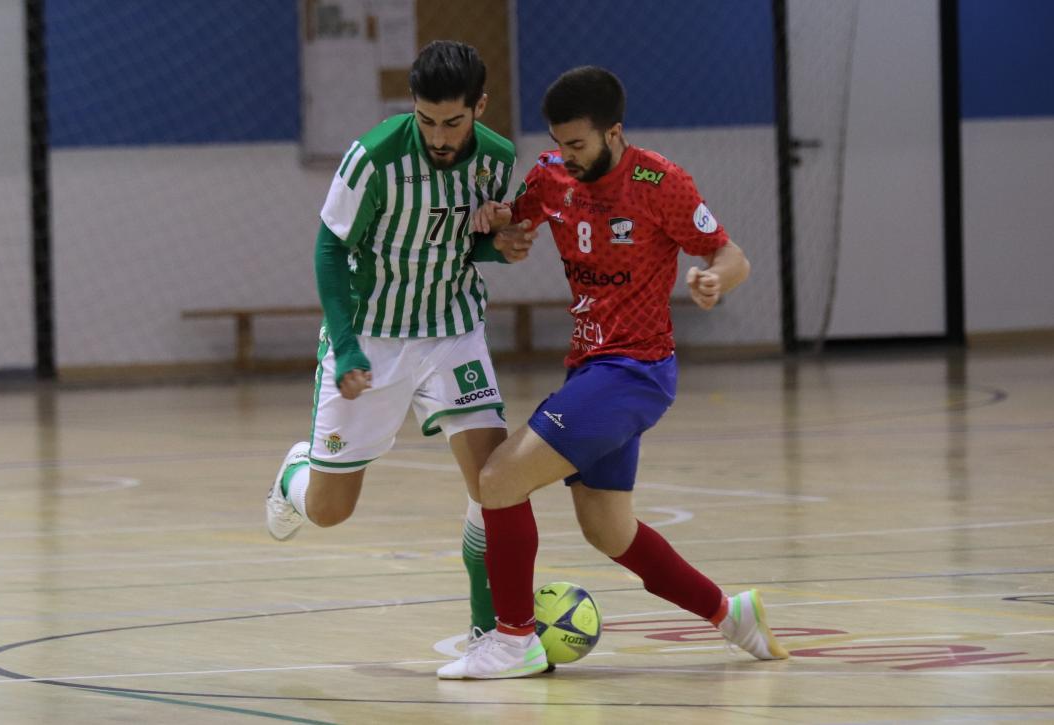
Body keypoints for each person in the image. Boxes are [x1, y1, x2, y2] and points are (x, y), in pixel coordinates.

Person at [438, 66, 787, 679]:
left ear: (614, 133)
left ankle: (514, 638)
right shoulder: (551, 177)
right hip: (588, 368)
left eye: (578, 145)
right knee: (608, 529)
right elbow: (512, 229)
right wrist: (504, 234)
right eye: (558, 143)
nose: (566, 158)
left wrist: (713, 280)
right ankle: (733, 616)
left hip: (635, 371)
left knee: (495, 481)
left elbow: (732, 256)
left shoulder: (659, 182)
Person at [264, 41, 536, 642]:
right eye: (427, 120)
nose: (439, 136)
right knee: (332, 511)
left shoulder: (496, 159)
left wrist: (503, 247)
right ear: (412, 108)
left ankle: (487, 630)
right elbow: (330, 248)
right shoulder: (373, 158)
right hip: (371, 335)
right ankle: (294, 476)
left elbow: (468, 241)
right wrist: (348, 345)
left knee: (493, 480)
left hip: (452, 330)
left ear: (480, 108)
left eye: (453, 122)